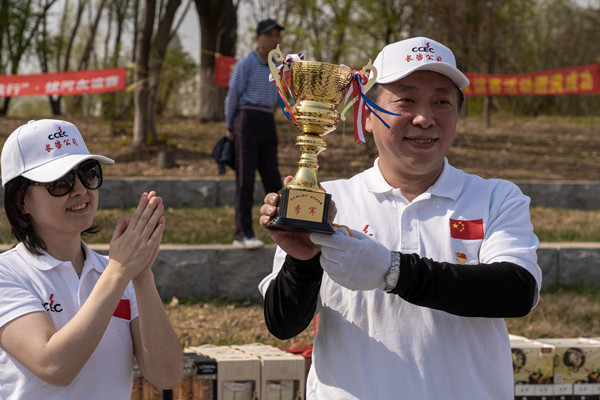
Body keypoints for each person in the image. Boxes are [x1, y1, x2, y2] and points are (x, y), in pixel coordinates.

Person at [258, 37, 542, 399]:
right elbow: (283, 324)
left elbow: (516, 291)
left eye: (442, 102)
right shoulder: (329, 201)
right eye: (405, 100)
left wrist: (392, 270)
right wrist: (303, 263)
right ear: (367, 114)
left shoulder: (496, 198)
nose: (424, 118)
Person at [0, 119, 183, 399]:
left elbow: (166, 375)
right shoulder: (8, 274)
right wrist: (119, 271)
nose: (80, 190)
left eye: (89, 173)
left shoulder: (117, 273)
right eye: (60, 182)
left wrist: (142, 276)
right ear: (21, 201)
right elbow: (54, 365)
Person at [224, 18, 284, 249]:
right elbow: (232, 96)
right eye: (269, 35)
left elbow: (280, 96)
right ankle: (242, 233)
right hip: (246, 118)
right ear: (258, 38)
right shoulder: (245, 63)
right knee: (245, 179)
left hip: (266, 119)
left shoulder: (278, 65)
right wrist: (230, 126)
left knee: (273, 177)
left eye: (277, 35)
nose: (273, 39)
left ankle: (281, 226)